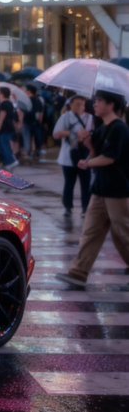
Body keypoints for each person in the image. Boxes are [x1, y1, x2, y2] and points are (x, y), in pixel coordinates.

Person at [57, 91, 129, 288]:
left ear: (111, 105)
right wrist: (88, 143)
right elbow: (96, 152)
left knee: (122, 233)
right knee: (91, 232)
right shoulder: (100, 127)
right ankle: (78, 273)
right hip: (99, 189)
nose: (94, 104)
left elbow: (110, 158)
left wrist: (88, 164)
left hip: (117, 190)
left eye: (99, 101)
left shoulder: (120, 129)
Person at [53, 94, 94, 220]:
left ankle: (85, 208)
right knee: (69, 183)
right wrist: (71, 133)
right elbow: (56, 134)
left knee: (86, 184)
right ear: (70, 105)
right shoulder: (65, 117)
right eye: (77, 104)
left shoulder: (90, 118)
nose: (80, 106)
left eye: (82, 104)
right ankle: (68, 207)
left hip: (85, 156)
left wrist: (87, 135)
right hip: (68, 156)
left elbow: (94, 133)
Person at [0, 87, 19, 169]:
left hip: (4, 128)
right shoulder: (10, 103)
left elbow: (1, 117)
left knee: (4, 145)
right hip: (9, 127)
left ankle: (11, 161)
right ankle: (9, 162)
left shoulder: (4, 104)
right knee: (6, 145)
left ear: (2, 94)